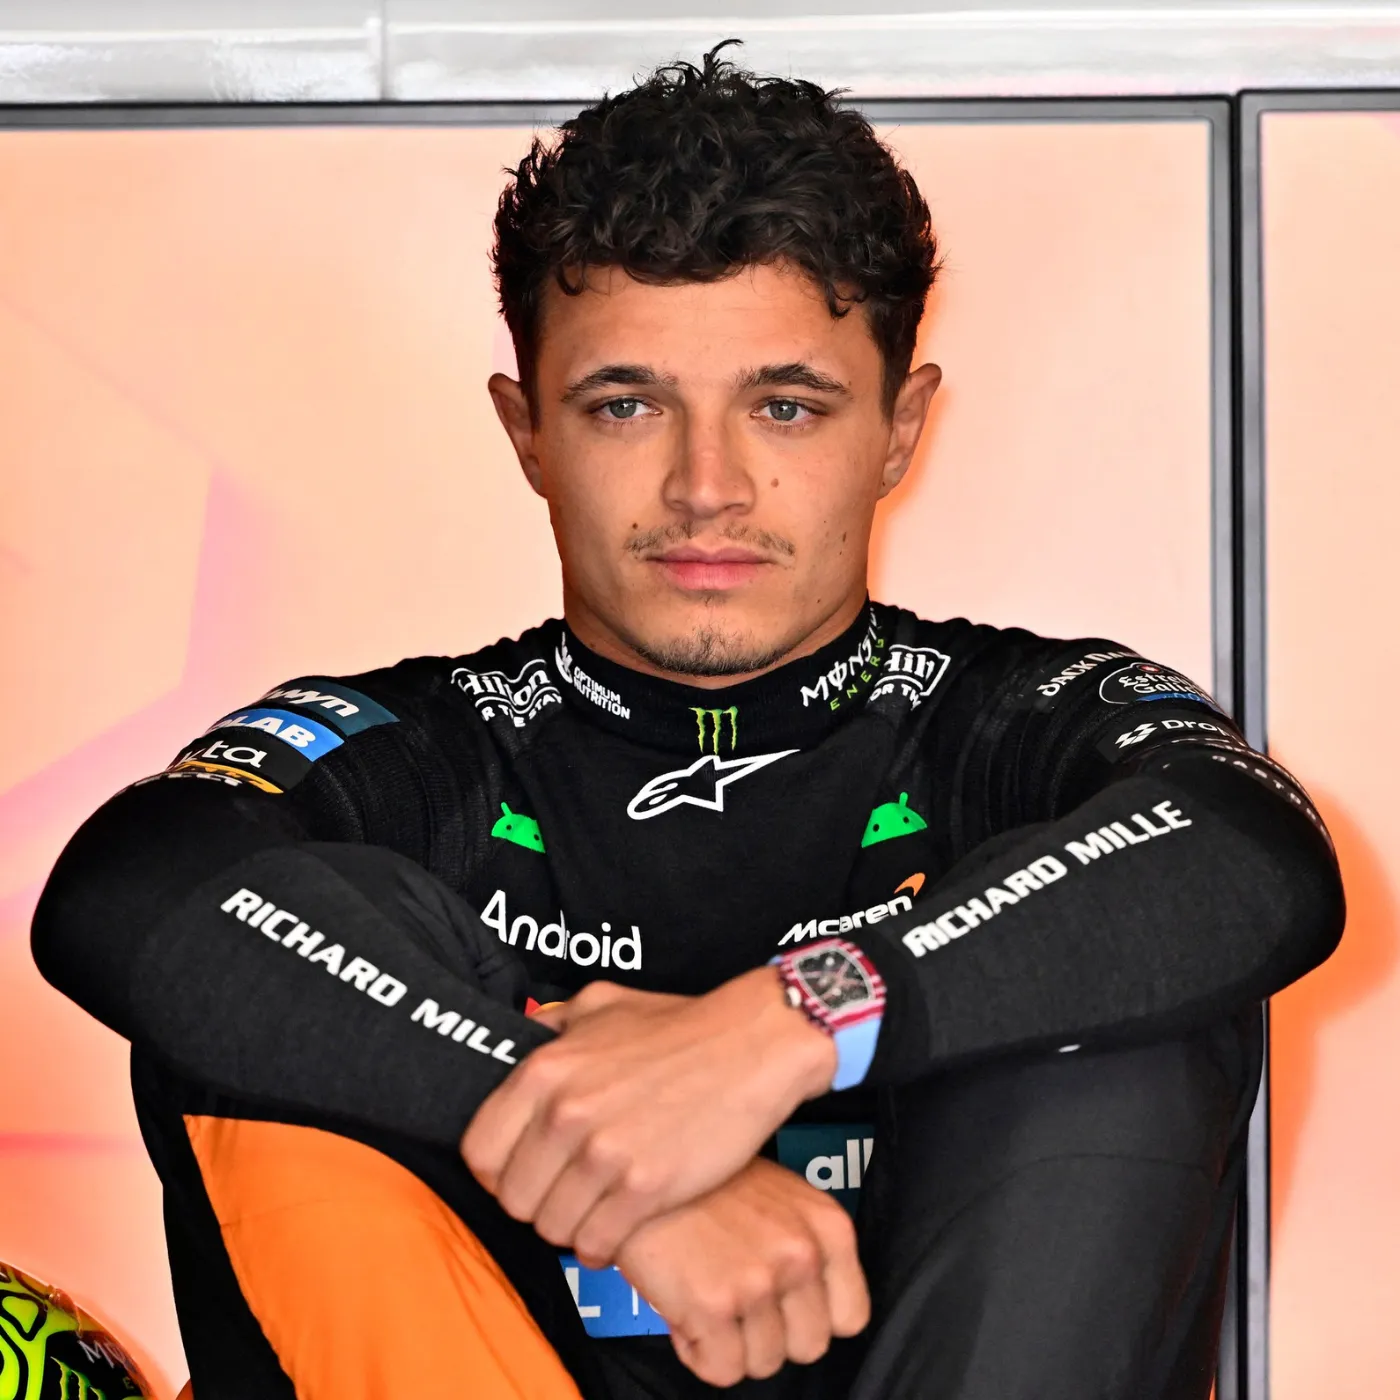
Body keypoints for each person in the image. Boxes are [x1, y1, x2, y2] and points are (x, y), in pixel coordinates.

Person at [33, 44, 1342, 1400]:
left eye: (784, 406)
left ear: (900, 429)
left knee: (1125, 970)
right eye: (626, 405)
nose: (706, 485)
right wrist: (597, 1136)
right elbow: (125, 889)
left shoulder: (1012, 723)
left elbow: (1254, 851)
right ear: (528, 432)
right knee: (261, 971)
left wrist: (784, 1028)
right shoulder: (412, 751)